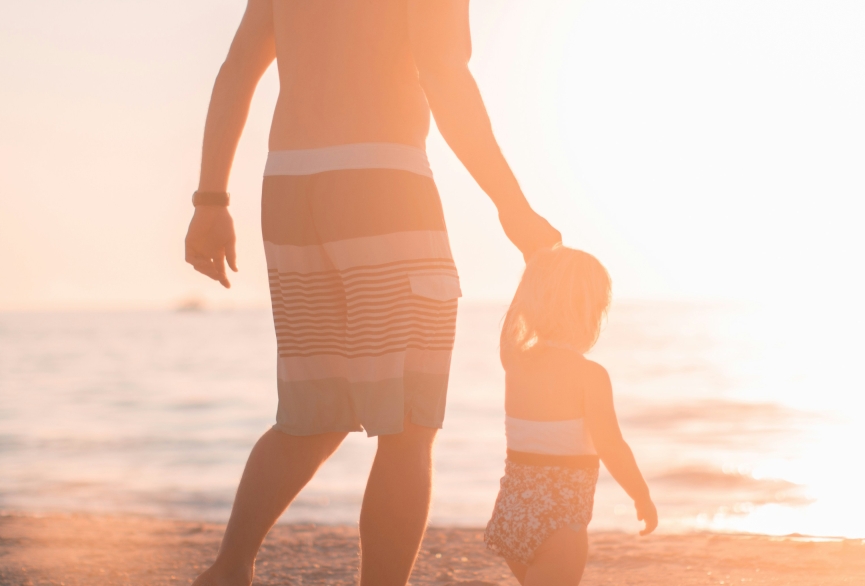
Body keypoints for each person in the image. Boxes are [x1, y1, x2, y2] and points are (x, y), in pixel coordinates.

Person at [180, 0, 561, 583]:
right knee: (408, 428)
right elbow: (444, 75)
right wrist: (512, 207)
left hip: (289, 189)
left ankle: (228, 570)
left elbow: (238, 67)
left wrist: (211, 199)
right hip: (382, 185)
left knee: (311, 416)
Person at [485, 247, 656, 586]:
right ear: (591, 313)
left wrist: (533, 267)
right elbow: (611, 446)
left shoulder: (516, 362)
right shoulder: (589, 375)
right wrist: (641, 495)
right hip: (560, 521)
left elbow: (511, 322)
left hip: (510, 515)